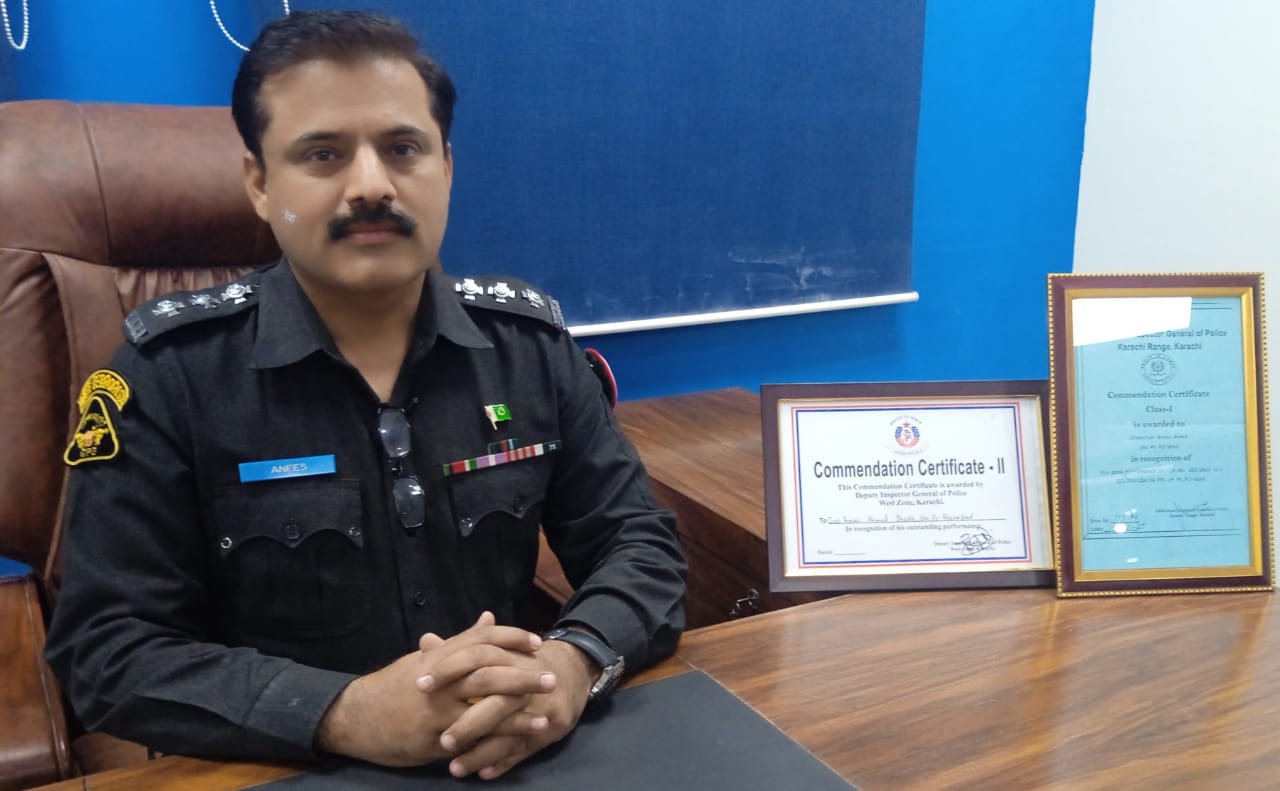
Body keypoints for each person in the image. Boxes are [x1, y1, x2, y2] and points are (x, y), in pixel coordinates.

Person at [44, 9, 686, 781]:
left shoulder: (528, 349)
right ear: (259, 182)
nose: (372, 184)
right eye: (323, 154)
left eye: (403, 148)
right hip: (279, 766)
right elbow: (106, 647)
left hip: (511, 757)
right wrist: (343, 712)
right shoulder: (169, 373)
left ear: (446, 166)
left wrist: (573, 664)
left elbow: (639, 545)